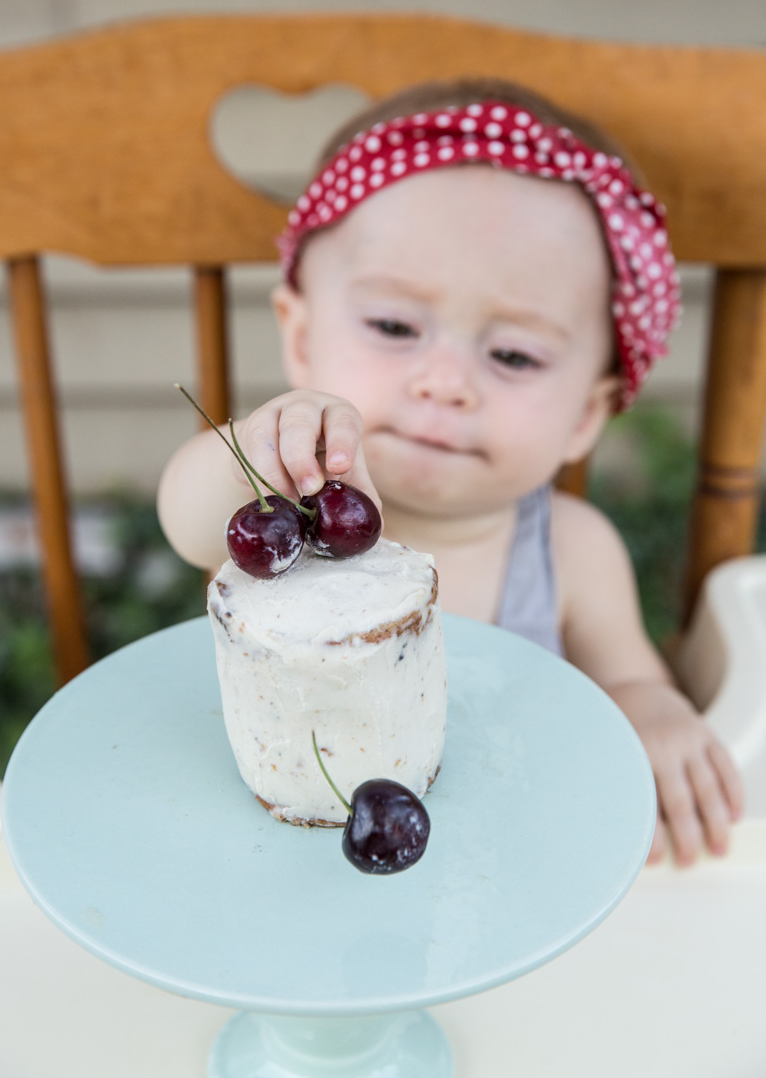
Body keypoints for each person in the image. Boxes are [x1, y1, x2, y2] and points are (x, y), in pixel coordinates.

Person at [158, 77, 743, 866]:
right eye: (396, 325)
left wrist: (656, 712)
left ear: (586, 416)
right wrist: (248, 455)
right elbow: (187, 518)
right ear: (299, 338)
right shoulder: (285, 531)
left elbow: (629, 681)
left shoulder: (571, 550)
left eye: (512, 354)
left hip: (505, 878)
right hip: (273, 863)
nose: (445, 380)